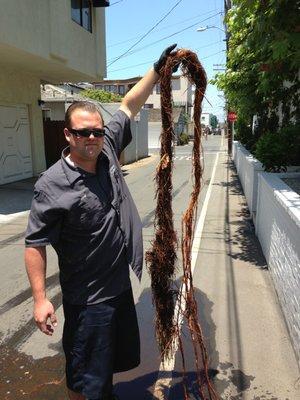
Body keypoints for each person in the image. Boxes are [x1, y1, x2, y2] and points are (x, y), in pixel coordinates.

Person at [24, 44, 178, 400]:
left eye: (95, 131)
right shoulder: (51, 184)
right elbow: (35, 244)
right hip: (88, 301)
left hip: (119, 289)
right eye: (82, 133)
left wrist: (157, 70)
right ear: (68, 135)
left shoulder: (107, 148)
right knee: (85, 381)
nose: (91, 138)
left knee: (109, 368)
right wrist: (39, 299)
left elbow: (128, 105)